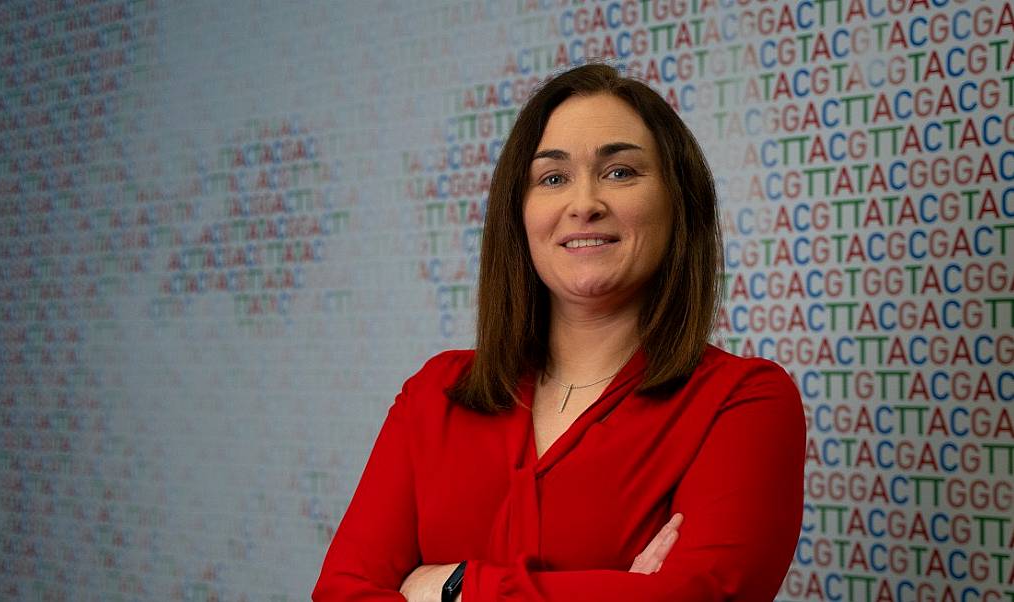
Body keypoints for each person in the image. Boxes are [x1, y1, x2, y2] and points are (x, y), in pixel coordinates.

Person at [312, 63, 805, 601]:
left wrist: (455, 586)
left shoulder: (743, 401)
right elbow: (342, 592)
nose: (584, 203)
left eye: (620, 172)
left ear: (678, 202)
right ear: (518, 214)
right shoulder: (434, 394)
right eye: (553, 178)